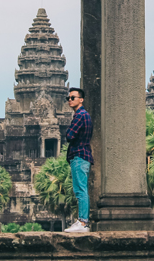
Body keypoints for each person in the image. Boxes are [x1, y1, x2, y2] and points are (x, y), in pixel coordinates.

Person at [63, 87, 93, 233]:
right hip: (83, 155)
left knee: (80, 190)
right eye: (68, 98)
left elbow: (69, 135)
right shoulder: (84, 115)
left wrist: (68, 132)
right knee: (81, 189)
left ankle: (82, 222)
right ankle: (82, 221)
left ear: (81, 99)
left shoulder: (80, 115)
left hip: (79, 156)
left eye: (72, 97)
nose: (70, 100)